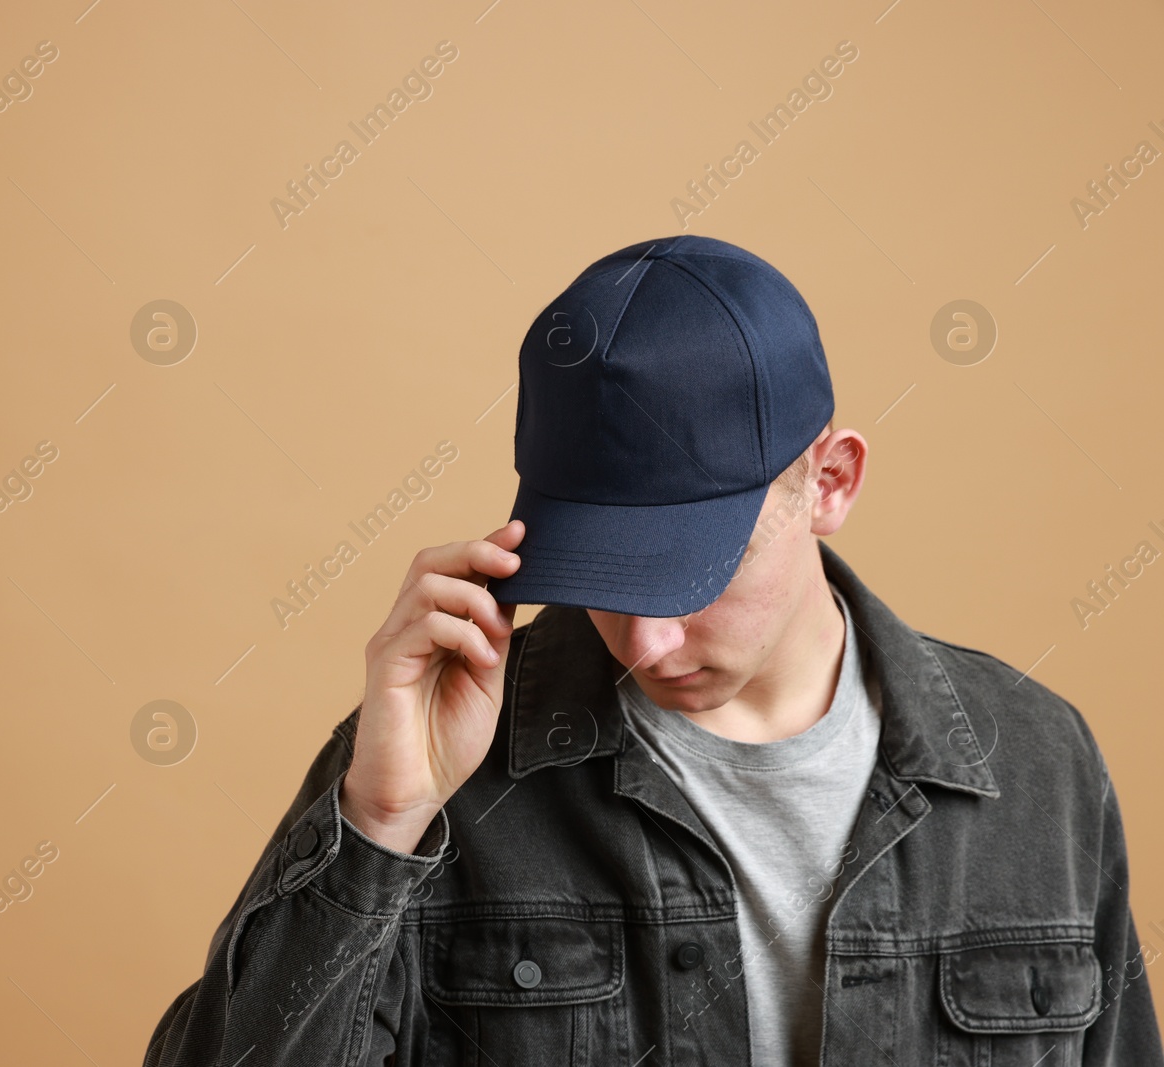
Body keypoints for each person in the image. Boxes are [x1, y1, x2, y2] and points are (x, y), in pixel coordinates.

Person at [143, 235, 1163, 1066]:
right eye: (602, 576)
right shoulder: (433, 760)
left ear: (832, 482)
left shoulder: (1035, 763)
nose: (645, 638)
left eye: (694, 568)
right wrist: (377, 827)